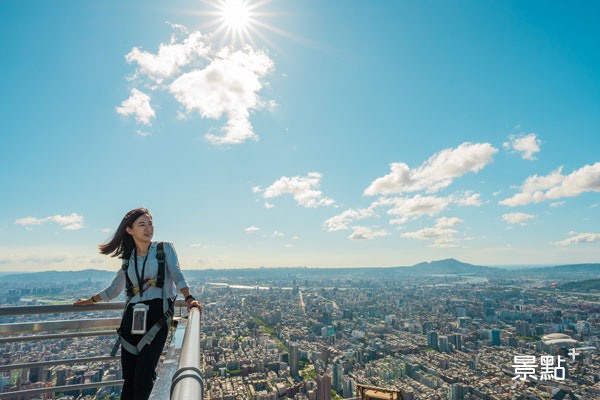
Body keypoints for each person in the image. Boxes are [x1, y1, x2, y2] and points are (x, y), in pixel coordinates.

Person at [74, 207, 202, 400]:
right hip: (131, 319)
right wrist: (90, 301)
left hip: (157, 318)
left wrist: (189, 298)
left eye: (150, 224)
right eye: (142, 224)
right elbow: (114, 290)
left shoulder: (164, 249)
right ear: (129, 230)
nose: (148, 228)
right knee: (130, 378)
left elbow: (177, 275)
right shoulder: (128, 258)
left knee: (144, 377)